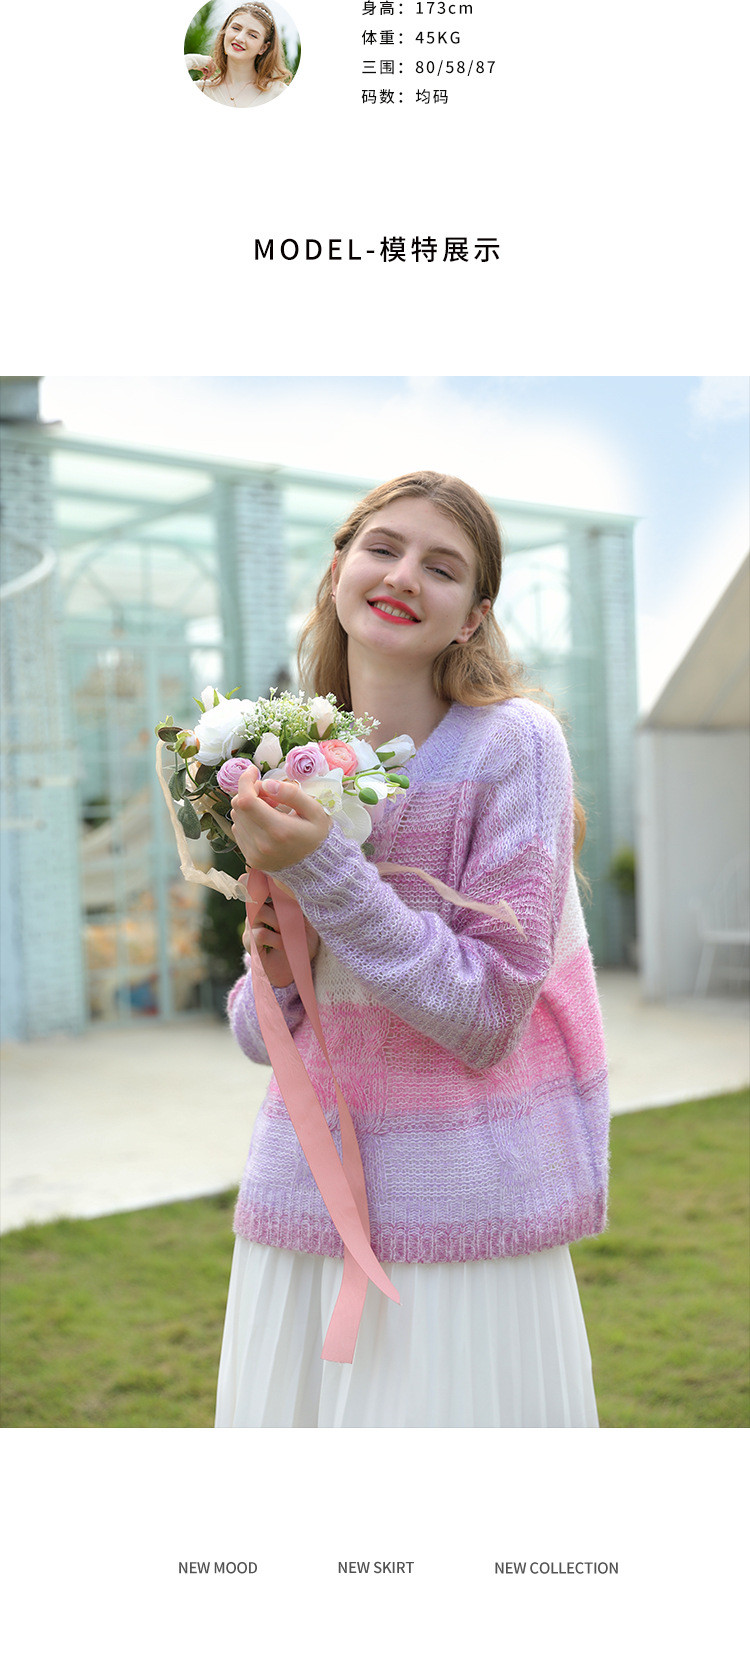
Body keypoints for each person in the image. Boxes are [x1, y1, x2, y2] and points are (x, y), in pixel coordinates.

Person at [216, 471, 609, 1428]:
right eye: (383, 547)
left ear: (473, 617)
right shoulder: (293, 753)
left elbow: (483, 1014)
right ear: (340, 565)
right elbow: (268, 1038)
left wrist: (324, 874)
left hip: (461, 1216)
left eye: (442, 567)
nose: (403, 575)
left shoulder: (513, 746)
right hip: (302, 1204)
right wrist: (272, 970)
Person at [186, 2, 291, 108]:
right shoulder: (201, 89)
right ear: (225, 31)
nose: (239, 38)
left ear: (263, 48)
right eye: (236, 28)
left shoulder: (279, 93)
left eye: (252, 35)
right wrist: (192, 60)